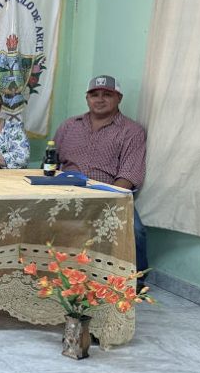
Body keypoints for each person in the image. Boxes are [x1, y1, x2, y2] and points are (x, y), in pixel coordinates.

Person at [54, 75, 147, 272]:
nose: (100, 99)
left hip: (109, 194)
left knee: (135, 231)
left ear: (119, 98)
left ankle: (136, 282)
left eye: (107, 94)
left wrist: (102, 202)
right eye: (94, 94)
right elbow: (51, 162)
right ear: (87, 98)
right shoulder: (69, 126)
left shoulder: (132, 131)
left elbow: (129, 175)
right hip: (66, 191)